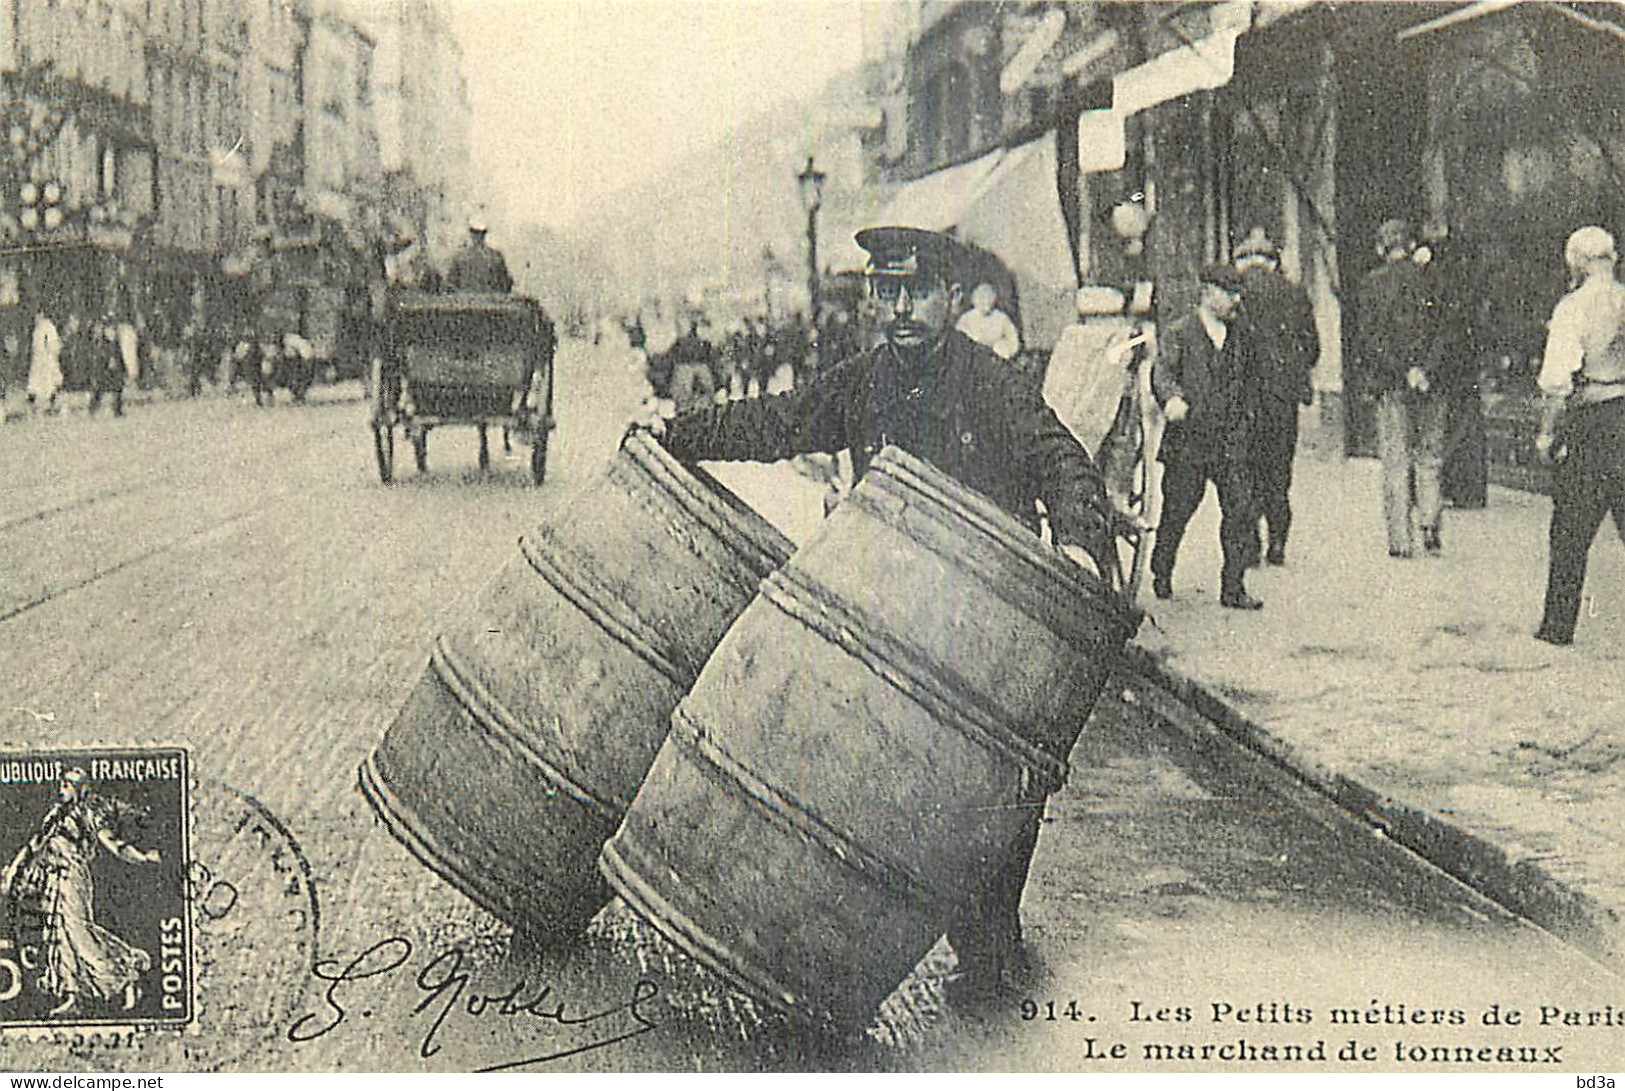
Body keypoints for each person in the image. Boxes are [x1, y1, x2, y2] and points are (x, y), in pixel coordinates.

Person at [649, 225, 1118, 1002]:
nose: (900, 308)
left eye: (916, 292)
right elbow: (775, 422)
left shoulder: (991, 381)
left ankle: (990, 932)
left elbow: (1060, 459)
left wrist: (1078, 542)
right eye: (886, 291)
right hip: (895, 611)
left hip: (984, 617)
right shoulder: (861, 381)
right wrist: (677, 436)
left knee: (999, 780)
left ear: (946, 297)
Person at [1149, 263, 1263, 609]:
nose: (1235, 300)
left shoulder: (1241, 335)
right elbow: (1163, 373)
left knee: (1239, 512)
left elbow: (1251, 382)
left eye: (1237, 293)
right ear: (1208, 292)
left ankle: (1234, 587)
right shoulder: (1180, 332)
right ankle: (1162, 568)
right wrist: (1171, 399)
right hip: (1190, 441)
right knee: (1178, 511)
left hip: (1230, 440)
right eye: (1229, 293)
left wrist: (1249, 420)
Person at [2, 770, 161, 1016]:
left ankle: (127, 969)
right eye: (62, 784)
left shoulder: (89, 812)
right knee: (59, 935)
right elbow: (34, 845)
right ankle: (73, 995)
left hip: (74, 877)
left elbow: (113, 843)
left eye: (68, 785)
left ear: (81, 788)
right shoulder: (55, 814)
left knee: (78, 931)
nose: (62, 789)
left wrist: (142, 857)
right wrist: (15, 870)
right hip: (52, 878)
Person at [1533, 226, 1625, 646]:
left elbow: (1557, 380)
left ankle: (1558, 625)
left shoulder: (1573, 308)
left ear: (1579, 263)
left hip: (1593, 421)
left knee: (1570, 529)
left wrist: (1548, 433)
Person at [1356, 218, 1448, 558]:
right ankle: (1430, 526)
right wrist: (1424, 369)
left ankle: (1399, 539)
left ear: (1381, 248)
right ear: (1411, 246)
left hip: (1391, 384)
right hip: (1430, 383)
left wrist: (1402, 369)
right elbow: (1445, 332)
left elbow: (1369, 340)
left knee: (1395, 460)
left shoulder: (1371, 284)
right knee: (1430, 457)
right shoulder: (1433, 279)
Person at [1232, 228, 1319, 567]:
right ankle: (1278, 540)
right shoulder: (1294, 293)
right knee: (1279, 469)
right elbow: (1312, 346)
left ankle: (1250, 542)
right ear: (1272, 261)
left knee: (1245, 467)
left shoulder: (1236, 294)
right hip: (1282, 397)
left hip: (1243, 397)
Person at [955, 281, 1021, 361]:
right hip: (971, 359)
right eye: (982, 301)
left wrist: (1004, 348)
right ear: (975, 300)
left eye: (988, 301)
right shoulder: (966, 318)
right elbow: (957, 337)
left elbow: (1013, 339)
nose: (985, 305)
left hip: (995, 360)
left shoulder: (1001, 318)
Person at [444, 218, 513, 294]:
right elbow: (505, 285)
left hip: (467, 302)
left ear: (471, 234)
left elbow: (451, 285)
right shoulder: (495, 256)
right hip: (489, 302)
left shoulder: (460, 256)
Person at [87, 318, 126, 418]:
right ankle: (93, 409)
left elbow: (119, 354)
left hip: (114, 368)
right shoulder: (102, 343)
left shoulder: (114, 342)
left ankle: (117, 410)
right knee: (100, 388)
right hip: (104, 367)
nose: (111, 332)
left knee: (117, 388)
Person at [25, 309, 61, 414]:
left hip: (46, 358)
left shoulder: (48, 327)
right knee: (35, 382)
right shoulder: (37, 328)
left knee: (48, 381)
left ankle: (51, 404)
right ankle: (33, 402)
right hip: (38, 358)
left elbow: (52, 344)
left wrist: (50, 355)